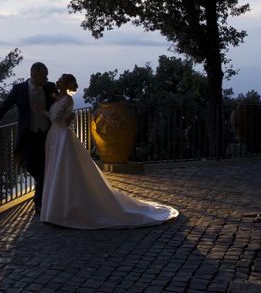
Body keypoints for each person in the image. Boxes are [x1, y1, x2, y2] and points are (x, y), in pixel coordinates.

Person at [41, 73, 178, 229]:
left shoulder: (67, 100)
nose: (58, 83)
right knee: (56, 169)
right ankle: (55, 210)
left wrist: (42, 112)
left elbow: (55, 117)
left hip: (61, 137)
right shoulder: (59, 98)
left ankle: (64, 211)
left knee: (64, 170)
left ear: (66, 84)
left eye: (61, 82)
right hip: (54, 136)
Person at [0, 62, 57, 211]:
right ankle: (41, 197)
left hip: (47, 134)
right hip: (28, 134)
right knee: (30, 165)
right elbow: (3, 107)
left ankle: (40, 202)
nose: (46, 78)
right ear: (34, 74)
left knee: (46, 166)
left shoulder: (50, 87)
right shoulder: (19, 89)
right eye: (44, 75)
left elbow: (59, 105)